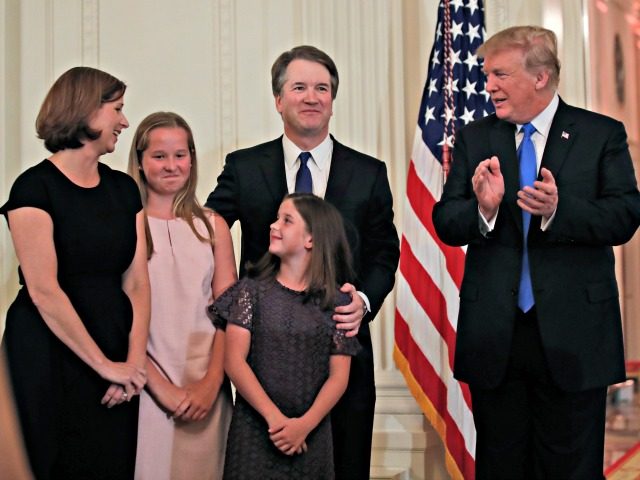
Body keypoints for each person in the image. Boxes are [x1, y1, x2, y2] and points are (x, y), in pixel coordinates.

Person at [433, 26, 640, 479]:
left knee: (571, 468)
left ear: (540, 77)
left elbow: (625, 216)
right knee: (501, 466)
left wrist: (560, 209)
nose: (488, 85)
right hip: (497, 337)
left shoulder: (599, 134)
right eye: (487, 75)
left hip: (574, 335)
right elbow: (447, 221)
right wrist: (483, 211)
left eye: (500, 74)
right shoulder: (475, 138)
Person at [206, 45, 400, 478]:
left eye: (322, 88)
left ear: (333, 99)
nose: (312, 97)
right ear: (278, 100)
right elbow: (207, 227)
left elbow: (385, 251)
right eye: (299, 87)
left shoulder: (368, 172)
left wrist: (363, 303)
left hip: (342, 353)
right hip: (265, 363)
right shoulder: (244, 167)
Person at [0, 66, 150, 479]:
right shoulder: (33, 188)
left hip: (115, 346)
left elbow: (137, 282)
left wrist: (132, 365)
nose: (124, 121)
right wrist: (105, 365)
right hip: (48, 352)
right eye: (117, 109)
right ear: (85, 111)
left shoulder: (124, 190)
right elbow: (44, 290)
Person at [210, 193, 361, 478]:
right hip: (254, 429)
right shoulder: (250, 292)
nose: (273, 225)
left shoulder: (337, 302)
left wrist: (303, 425)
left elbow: (339, 377)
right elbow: (234, 361)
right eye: (277, 217)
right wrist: (275, 420)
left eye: (286, 220)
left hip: (311, 435)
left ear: (311, 239)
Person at [127, 111, 236, 480]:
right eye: (159, 156)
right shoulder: (127, 225)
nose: (171, 165)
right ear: (140, 162)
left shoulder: (213, 225)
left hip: (207, 382)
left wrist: (211, 384)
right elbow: (116, 315)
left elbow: (230, 313)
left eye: (180, 154)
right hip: (145, 384)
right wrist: (159, 388)